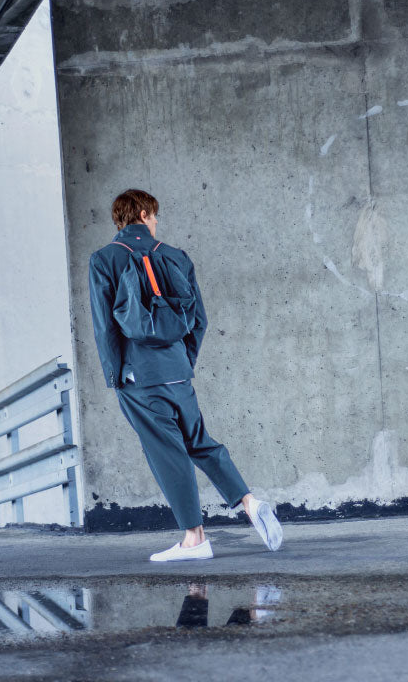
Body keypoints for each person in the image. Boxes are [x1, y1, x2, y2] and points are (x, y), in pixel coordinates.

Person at [87, 188, 283, 562]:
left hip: (139, 377)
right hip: (177, 371)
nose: (157, 220)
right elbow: (199, 320)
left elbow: (103, 327)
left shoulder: (105, 260)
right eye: (154, 214)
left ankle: (195, 539)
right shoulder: (176, 257)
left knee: (167, 452)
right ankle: (249, 501)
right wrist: (182, 361)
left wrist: (116, 375)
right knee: (198, 441)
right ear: (142, 214)